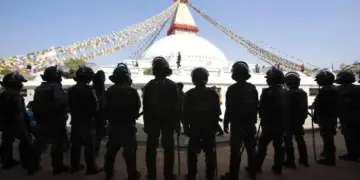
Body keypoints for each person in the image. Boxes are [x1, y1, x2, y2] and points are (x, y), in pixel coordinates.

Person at [143, 56, 180, 180]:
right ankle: (152, 175)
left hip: (167, 121)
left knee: (168, 148)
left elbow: (176, 105)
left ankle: (167, 174)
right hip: (155, 121)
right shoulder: (152, 86)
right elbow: (146, 106)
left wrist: (176, 122)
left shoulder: (167, 86)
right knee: (152, 149)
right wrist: (146, 123)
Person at [104, 63, 142, 180]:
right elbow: (137, 107)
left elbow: (105, 108)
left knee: (111, 152)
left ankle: (108, 173)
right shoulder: (132, 92)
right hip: (128, 126)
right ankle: (132, 174)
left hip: (113, 125)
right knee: (130, 153)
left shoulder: (109, 91)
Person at [221, 61, 258, 180]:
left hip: (237, 125)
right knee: (251, 149)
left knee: (235, 151)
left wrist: (226, 122)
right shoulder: (252, 88)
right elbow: (256, 106)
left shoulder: (232, 89)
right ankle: (253, 172)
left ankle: (233, 174)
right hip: (250, 124)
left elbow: (229, 107)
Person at [183, 67, 220, 180]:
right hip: (208, 129)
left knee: (192, 155)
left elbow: (184, 114)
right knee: (210, 155)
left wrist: (186, 128)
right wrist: (215, 128)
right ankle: (210, 176)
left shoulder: (189, 94)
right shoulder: (213, 94)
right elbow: (217, 113)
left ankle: (191, 175)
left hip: (195, 129)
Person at [32, 65, 69, 175]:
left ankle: (33, 165)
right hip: (55, 121)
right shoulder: (55, 87)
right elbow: (61, 103)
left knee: (38, 143)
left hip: (41, 120)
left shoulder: (39, 88)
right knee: (57, 145)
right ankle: (58, 167)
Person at [0, 72, 38, 175]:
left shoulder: (2, 94)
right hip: (17, 123)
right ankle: (30, 166)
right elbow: (20, 112)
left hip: (5, 124)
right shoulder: (16, 96)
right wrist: (28, 127)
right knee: (28, 143)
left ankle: (7, 161)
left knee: (7, 142)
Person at [68, 65, 103, 175]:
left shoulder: (71, 90)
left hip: (75, 120)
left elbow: (68, 105)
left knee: (75, 146)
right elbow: (95, 107)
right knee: (89, 146)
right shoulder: (89, 89)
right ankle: (91, 168)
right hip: (87, 122)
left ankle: (75, 166)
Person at [255, 67, 286, 175]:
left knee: (262, 146)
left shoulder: (266, 92)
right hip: (281, 125)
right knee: (279, 146)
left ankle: (256, 167)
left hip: (269, 125)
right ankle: (278, 167)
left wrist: (262, 118)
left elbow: (261, 109)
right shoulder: (285, 92)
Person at [311, 69, 337, 166]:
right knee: (329, 137)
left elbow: (318, 105)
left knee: (327, 138)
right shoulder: (335, 89)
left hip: (325, 118)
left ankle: (330, 159)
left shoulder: (324, 91)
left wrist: (315, 116)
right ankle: (327, 154)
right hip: (333, 116)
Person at [283, 72, 309, 168]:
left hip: (288, 122)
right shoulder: (303, 92)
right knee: (300, 140)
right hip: (299, 121)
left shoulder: (286, 94)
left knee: (288, 142)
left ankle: (290, 161)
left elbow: (284, 109)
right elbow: (304, 108)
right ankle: (304, 159)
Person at [335, 69, 360, 162]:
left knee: (349, 137)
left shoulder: (338, 90)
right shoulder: (358, 88)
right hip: (358, 116)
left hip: (346, 117)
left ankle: (352, 155)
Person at [93, 70, 107, 157]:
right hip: (99, 116)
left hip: (95, 116)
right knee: (97, 135)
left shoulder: (92, 89)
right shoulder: (102, 92)